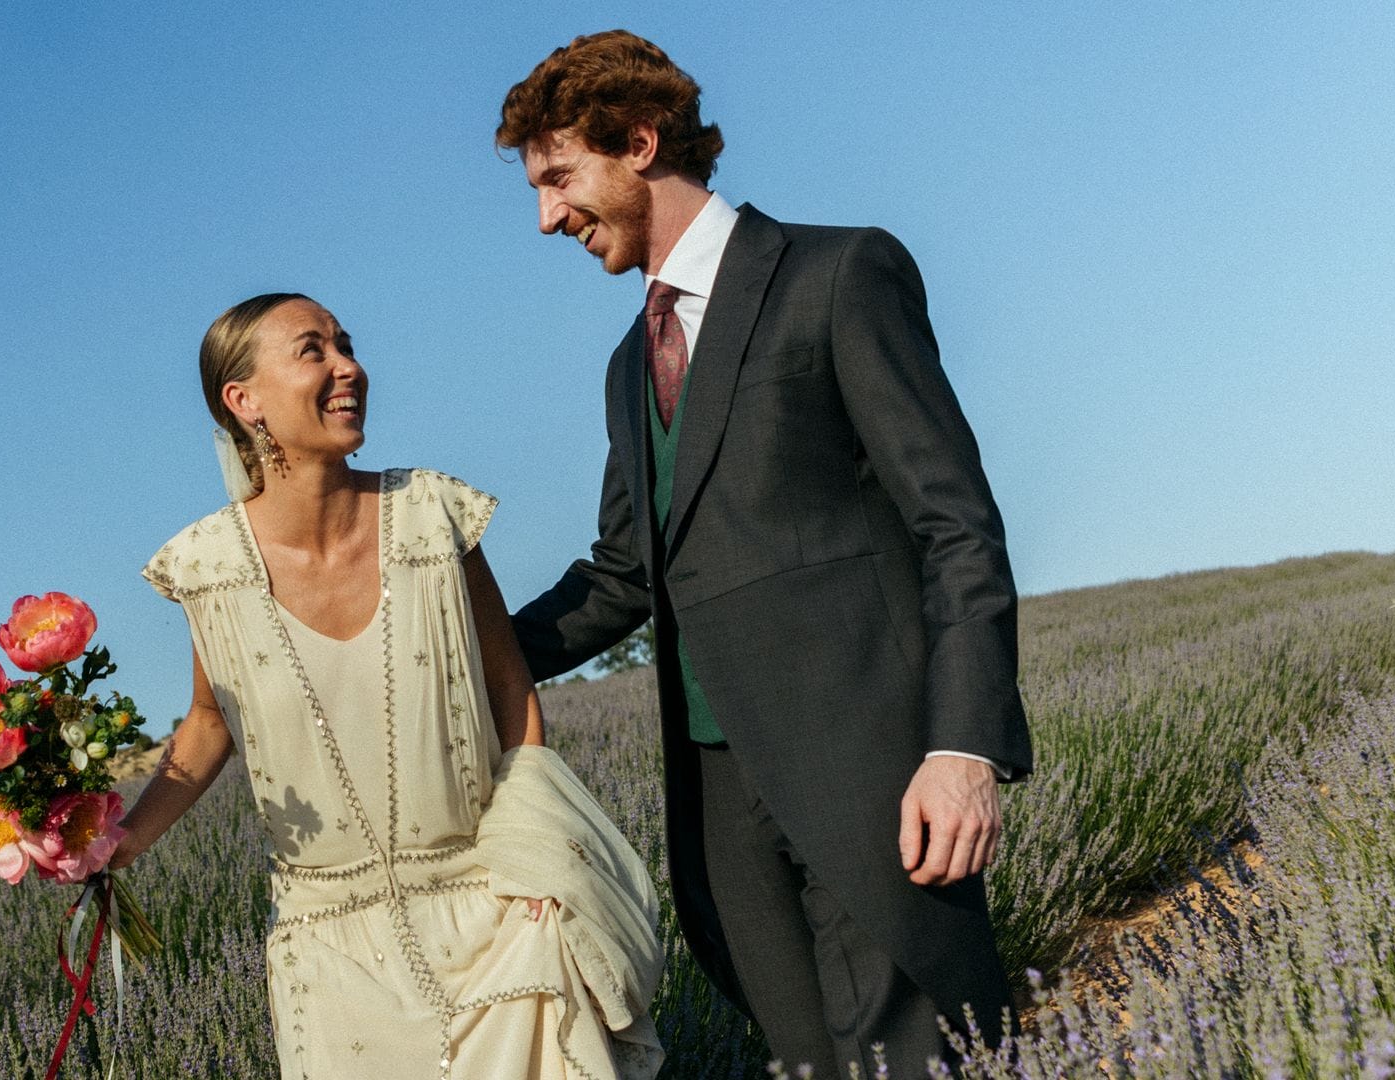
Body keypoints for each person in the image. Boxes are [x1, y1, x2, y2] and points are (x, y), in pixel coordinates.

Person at [496, 31, 1035, 1079]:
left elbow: (955, 525)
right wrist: (456, 655)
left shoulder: (839, 275)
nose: (547, 216)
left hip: (874, 781)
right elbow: (621, 577)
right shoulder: (625, 365)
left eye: (560, 178)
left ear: (641, 142)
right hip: (721, 818)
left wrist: (963, 749)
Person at [111, 293, 665, 1080]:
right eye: (314, 351)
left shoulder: (432, 515)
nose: (349, 368)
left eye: (347, 344)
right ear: (245, 400)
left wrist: (535, 867)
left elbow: (513, 700)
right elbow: (208, 723)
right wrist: (123, 841)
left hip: (497, 926)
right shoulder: (206, 571)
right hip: (332, 961)